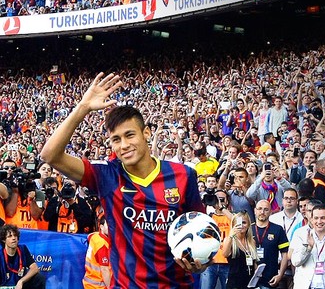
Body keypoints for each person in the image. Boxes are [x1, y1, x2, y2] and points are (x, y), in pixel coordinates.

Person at [40, 73, 206, 288]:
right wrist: (83, 107)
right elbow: (49, 155)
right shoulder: (106, 176)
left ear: (146, 133)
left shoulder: (183, 175)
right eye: (116, 139)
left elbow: (200, 229)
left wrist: (200, 262)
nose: (124, 145)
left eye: (130, 135)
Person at [289, 205, 325, 289]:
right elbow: (296, 262)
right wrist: (308, 248)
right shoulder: (301, 235)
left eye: (322, 218)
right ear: (311, 220)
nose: (319, 221)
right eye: (316, 218)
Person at [253, 199, 290, 289]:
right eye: (260, 209)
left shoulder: (278, 229)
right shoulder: (248, 230)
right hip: (250, 280)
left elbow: (285, 254)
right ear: (255, 210)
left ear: (270, 212)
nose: (262, 212)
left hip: (270, 280)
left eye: (266, 209)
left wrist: (280, 275)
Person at [0, 224, 46, 288]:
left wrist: (21, 281)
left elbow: (35, 268)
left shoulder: (23, 249)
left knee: (39, 278)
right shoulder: (1, 255)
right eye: (10, 236)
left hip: (21, 285)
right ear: (4, 240)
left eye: (15, 235)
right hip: (4, 285)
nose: (13, 238)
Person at [222, 211, 259, 289]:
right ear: (234, 225)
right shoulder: (229, 240)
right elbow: (225, 254)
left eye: (244, 222)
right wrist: (231, 236)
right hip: (235, 284)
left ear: (248, 224)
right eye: (238, 223)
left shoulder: (252, 242)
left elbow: (254, 262)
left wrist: (257, 273)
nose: (241, 226)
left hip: (250, 283)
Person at [83, 218, 112, 289]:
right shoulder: (102, 245)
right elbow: (104, 270)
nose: (110, 227)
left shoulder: (95, 237)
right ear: (101, 227)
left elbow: (90, 236)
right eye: (107, 225)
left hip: (90, 283)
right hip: (98, 286)